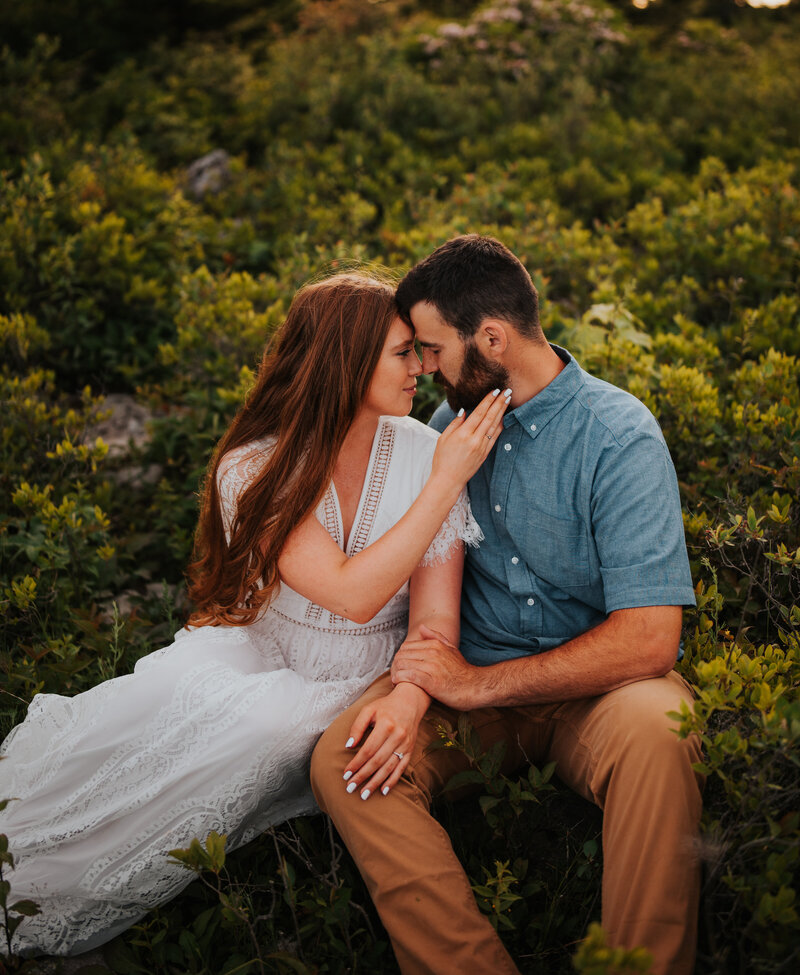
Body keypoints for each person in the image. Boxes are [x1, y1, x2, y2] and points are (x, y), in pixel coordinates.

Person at [0, 271, 510, 957]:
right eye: (401, 353)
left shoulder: (426, 454)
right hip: (261, 644)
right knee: (153, 700)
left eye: (420, 351)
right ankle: (24, 852)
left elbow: (433, 625)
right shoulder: (252, 466)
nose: (421, 365)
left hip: (358, 676)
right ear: (346, 360)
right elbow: (348, 590)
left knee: (258, 724)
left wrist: (410, 699)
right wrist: (449, 478)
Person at [311, 237, 704, 975]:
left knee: (661, 725)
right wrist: (422, 690)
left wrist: (478, 683)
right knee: (347, 760)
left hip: (598, 693)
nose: (423, 366)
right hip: (470, 687)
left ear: (490, 338)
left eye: (429, 348)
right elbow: (426, 593)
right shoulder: (442, 431)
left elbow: (651, 640)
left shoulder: (618, 437)